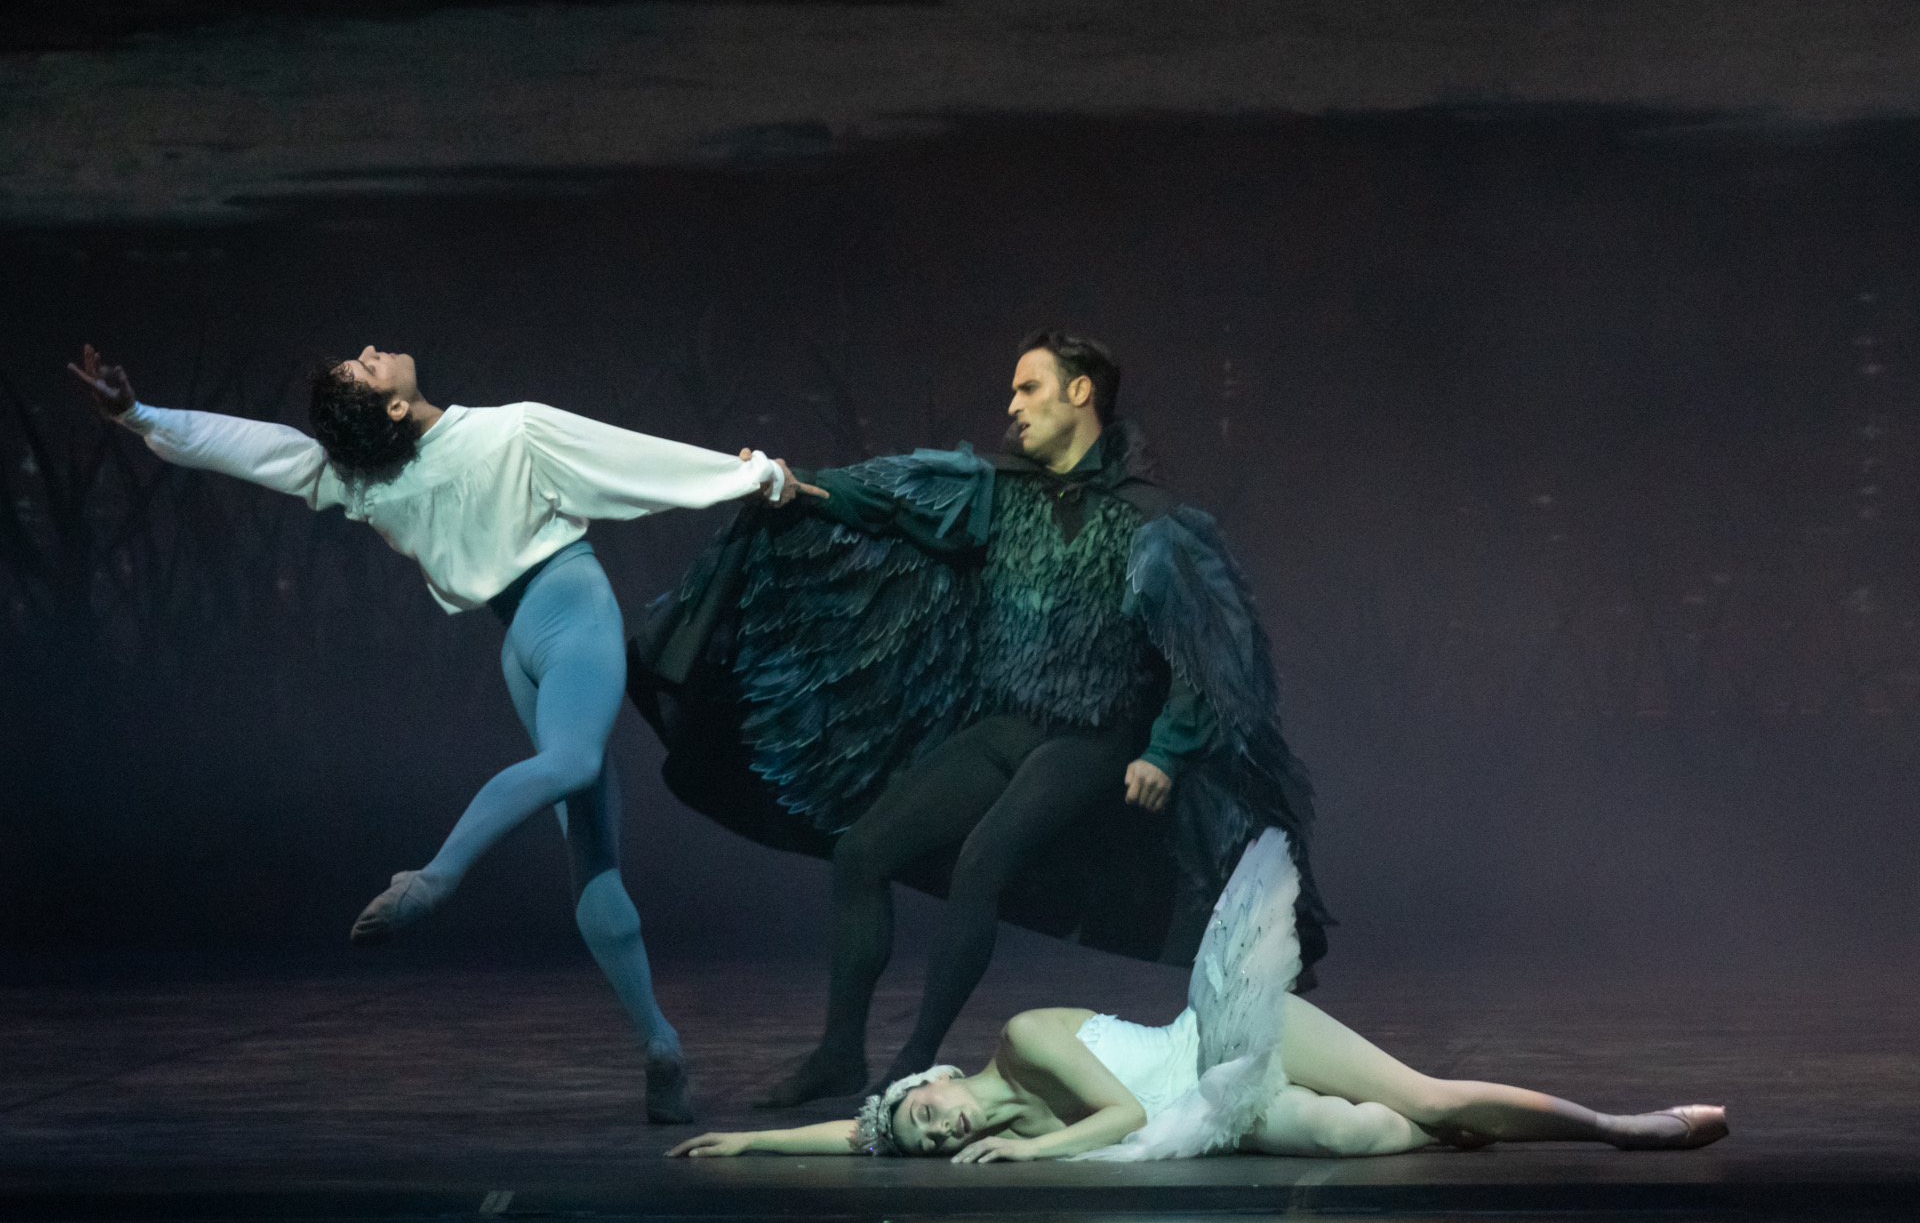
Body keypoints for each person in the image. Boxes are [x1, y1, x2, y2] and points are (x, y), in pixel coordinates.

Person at [65, 342, 799, 1123]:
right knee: (575, 763)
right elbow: (636, 466)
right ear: (392, 407)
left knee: (592, 849)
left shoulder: (366, 482)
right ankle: (436, 877)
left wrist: (139, 415)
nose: (369, 351)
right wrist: (753, 476)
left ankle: (660, 1044)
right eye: (366, 369)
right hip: (572, 614)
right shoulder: (514, 431)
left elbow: (259, 450)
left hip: (520, 649)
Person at [630, 331, 1332, 1108]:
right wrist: (797, 488)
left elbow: (1206, 653)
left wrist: (1165, 752)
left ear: (1081, 392)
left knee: (980, 864)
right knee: (861, 852)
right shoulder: (998, 493)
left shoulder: (1154, 524)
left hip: (1095, 737)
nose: (1013, 405)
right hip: (1009, 725)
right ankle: (839, 1055)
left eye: (1030, 388)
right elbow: (891, 503)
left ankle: (915, 1060)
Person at [667, 830, 1729, 1162]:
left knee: (1429, 1097)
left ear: (938, 1078)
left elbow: (1124, 1112)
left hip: (1225, 1037)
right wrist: (748, 1143)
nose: (937, 1128)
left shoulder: (1024, 1041)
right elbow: (859, 1136)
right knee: (1375, 1136)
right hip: (1221, 1115)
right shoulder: (983, 1133)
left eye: (925, 1110)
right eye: (926, 1138)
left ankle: (1620, 1126)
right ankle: (1475, 1131)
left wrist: (1033, 1153)